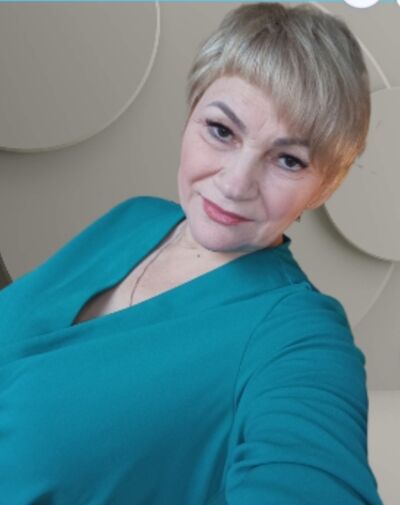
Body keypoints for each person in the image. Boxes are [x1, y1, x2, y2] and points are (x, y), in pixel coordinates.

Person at [0, 3, 384, 504]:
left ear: (324, 186)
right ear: (190, 115)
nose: (235, 183)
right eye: (222, 131)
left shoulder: (300, 335)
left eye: (289, 160)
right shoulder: (135, 217)